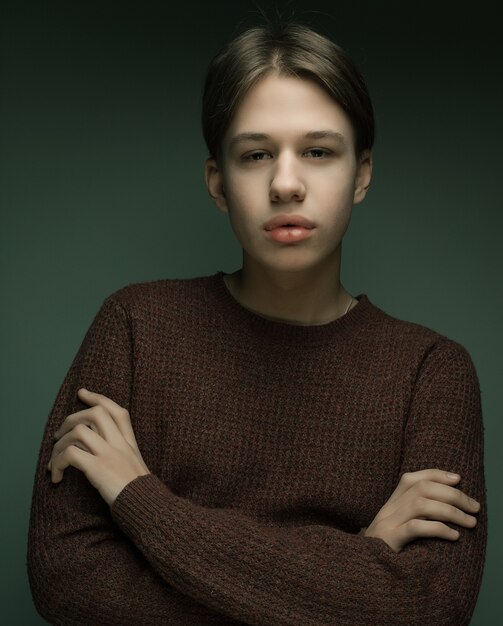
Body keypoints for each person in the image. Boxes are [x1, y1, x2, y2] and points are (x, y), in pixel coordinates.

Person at [27, 21, 487, 625]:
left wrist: (138, 499)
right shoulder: (134, 326)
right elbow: (68, 586)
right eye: (256, 155)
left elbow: (426, 609)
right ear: (219, 182)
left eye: (319, 152)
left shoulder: (432, 372)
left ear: (363, 174)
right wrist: (361, 561)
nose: (286, 183)